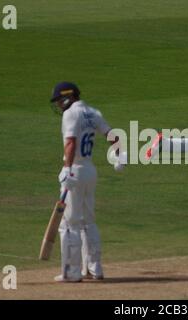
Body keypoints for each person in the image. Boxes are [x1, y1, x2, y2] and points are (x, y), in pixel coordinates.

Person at [50, 82, 123, 282]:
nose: (57, 105)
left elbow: (71, 142)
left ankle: (72, 272)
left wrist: (67, 168)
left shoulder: (70, 114)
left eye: (58, 100)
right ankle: (94, 269)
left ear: (67, 97)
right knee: (88, 221)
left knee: (70, 223)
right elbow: (111, 134)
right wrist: (120, 155)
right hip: (90, 171)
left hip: (75, 170)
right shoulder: (93, 112)